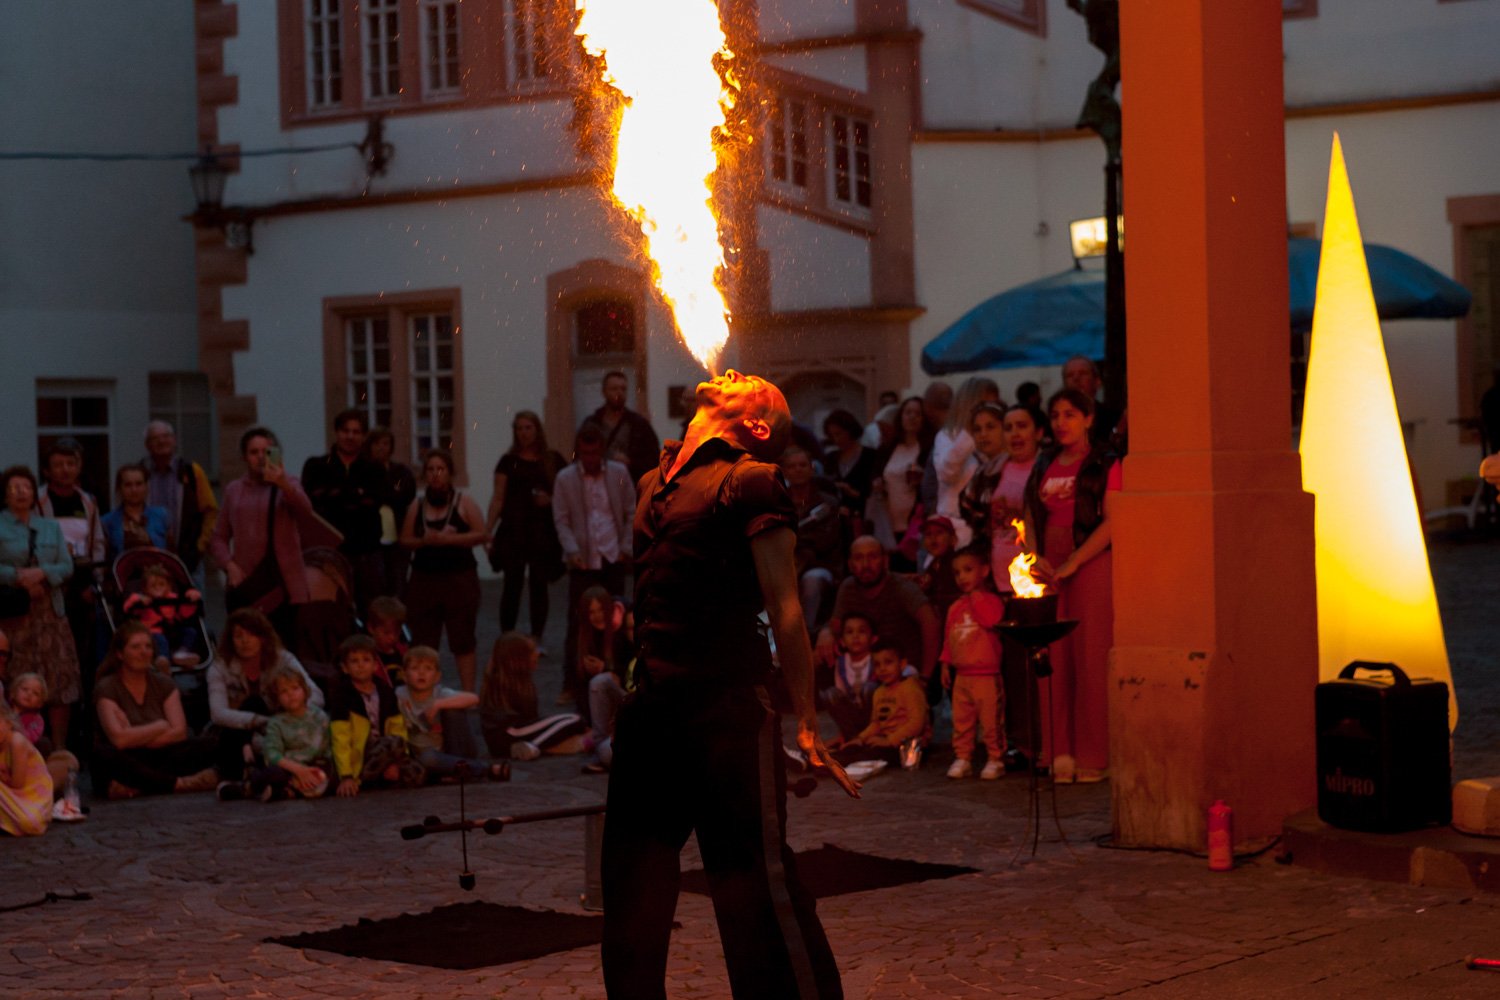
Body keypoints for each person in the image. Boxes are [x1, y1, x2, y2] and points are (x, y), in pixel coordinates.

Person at [603, 368, 856, 1000]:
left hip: (727, 717)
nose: (735, 371)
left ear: (758, 424)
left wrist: (805, 718)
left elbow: (787, 607)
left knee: (756, 890)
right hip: (652, 716)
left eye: (756, 384)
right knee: (631, 896)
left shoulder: (751, 481)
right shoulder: (649, 485)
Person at [1023, 388, 1121, 784]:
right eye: (1056, 415)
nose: (1062, 422)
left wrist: (1074, 562)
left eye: (1070, 414)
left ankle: (1094, 754)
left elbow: (1112, 522)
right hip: (1050, 567)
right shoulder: (1043, 462)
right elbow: (1030, 514)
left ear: (1089, 418)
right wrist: (1035, 557)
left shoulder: (1105, 462)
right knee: (1054, 659)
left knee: (1089, 656)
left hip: (1090, 563)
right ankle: (1057, 751)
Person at [962, 402, 1046, 763]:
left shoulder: (1043, 470)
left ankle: (1042, 741)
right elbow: (972, 511)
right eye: (1008, 427)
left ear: (1038, 432)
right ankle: (1015, 741)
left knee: (1037, 665)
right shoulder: (992, 472)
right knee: (1009, 667)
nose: (1014, 434)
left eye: (1021, 425)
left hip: (1036, 580)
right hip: (999, 580)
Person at [210, 426, 317, 646]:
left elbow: (305, 511)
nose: (259, 458)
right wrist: (229, 565)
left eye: (265, 452)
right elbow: (218, 537)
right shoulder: (234, 490)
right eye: (254, 452)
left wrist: (282, 483)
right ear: (244, 457)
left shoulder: (288, 483)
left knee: (282, 648)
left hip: (282, 583)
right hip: (246, 583)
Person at [552, 423, 634, 707]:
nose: (590, 459)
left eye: (594, 453)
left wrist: (625, 548)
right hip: (583, 560)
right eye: (585, 453)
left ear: (602, 451)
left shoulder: (619, 474)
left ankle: (617, 673)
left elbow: (629, 510)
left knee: (616, 619)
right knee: (577, 623)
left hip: (612, 558)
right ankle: (571, 684)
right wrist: (572, 550)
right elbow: (561, 519)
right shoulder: (565, 479)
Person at [0, 465, 81, 751]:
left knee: (59, 680)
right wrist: (17, 577)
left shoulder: (50, 526)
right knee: (17, 679)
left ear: (35, 493)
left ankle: (59, 750)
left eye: (26, 487)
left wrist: (43, 574)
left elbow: (66, 565)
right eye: (14, 488)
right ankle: (17, 745)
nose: (21, 492)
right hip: (16, 614)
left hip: (50, 612)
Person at [207, 607, 325, 798]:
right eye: (239, 636)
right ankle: (238, 775)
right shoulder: (220, 667)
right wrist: (259, 721)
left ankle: (252, 782)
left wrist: (291, 714)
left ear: (263, 637)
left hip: (281, 724)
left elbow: (315, 695)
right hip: (237, 730)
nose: (245, 641)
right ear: (231, 640)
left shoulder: (282, 659)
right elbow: (218, 712)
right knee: (251, 704)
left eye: (251, 635)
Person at [92, 622, 218, 799]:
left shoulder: (163, 683)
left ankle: (141, 787)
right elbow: (119, 740)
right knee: (104, 755)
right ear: (120, 654)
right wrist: (160, 725)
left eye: (148, 647)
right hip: (128, 758)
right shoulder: (107, 687)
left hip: (162, 754)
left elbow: (179, 732)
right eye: (135, 647)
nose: (143, 652)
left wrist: (134, 736)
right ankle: (179, 784)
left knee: (210, 744)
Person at [400, 449, 487, 691]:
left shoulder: (464, 502)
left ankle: (468, 692)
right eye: (431, 469)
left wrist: (451, 539)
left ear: (450, 473)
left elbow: (481, 534)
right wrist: (424, 541)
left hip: (459, 580)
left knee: (463, 640)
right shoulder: (417, 505)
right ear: (424, 474)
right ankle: (422, 691)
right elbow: (404, 540)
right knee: (423, 640)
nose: (436, 475)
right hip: (424, 581)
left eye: (441, 469)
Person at [486, 410, 567, 646]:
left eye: (528, 427)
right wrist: (488, 530)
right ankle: (507, 635)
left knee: (539, 584)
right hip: (514, 528)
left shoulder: (552, 459)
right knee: (512, 583)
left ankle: (537, 636)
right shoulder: (507, 461)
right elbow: (498, 497)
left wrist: (549, 500)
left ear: (537, 429)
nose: (523, 433)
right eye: (519, 428)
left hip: (542, 529)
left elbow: (565, 493)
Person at [819, 536, 941, 689]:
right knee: (819, 652)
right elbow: (835, 625)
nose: (865, 565)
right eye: (858, 558)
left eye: (872, 557)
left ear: (885, 561)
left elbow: (930, 623)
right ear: (850, 564)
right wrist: (826, 632)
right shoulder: (848, 587)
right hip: (867, 668)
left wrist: (925, 677)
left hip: (903, 670)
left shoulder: (901, 587)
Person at [302, 409, 388, 613]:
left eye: (356, 431)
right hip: (330, 552)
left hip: (366, 551)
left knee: (372, 610)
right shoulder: (317, 466)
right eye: (345, 431)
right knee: (331, 609)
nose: (350, 436)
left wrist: (335, 494)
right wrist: (355, 495)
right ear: (336, 432)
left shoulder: (374, 469)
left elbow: (376, 500)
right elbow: (312, 503)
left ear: (364, 435)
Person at [37, 438, 106, 668]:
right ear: (47, 470)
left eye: (70, 463)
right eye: (58, 464)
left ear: (79, 467)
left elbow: (97, 544)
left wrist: (96, 583)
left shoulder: (88, 502)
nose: (65, 469)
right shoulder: (38, 501)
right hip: (50, 583)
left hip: (82, 583)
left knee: (83, 648)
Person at [940, 548, 1007, 780]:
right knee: (962, 720)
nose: (962, 577)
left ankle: (995, 758)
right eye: (957, 573)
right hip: (963, 675)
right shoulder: (955, 607)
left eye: (968, 570)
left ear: (985, 571)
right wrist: (945, 664)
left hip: (986, 674)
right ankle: (963, 757)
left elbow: (991, 621)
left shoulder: (991, 601)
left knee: (991, 722)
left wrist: (977, 597)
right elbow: (949, 638)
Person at [328, 634, 421, 796]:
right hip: (360, 757)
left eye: (366, 660)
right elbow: (340, 738)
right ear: (345, 668)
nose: (360, 666)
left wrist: (396, 762)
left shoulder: (386, 692)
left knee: (417, 772)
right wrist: (346, 775)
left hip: (388, 752)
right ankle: (364, 779)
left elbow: (397, 728)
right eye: (354, 661)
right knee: (392, 742)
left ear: (375, 665)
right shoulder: (342, 696)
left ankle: (385, 776)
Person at [396, 645, 505, 781]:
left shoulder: (440, 693)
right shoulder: (399, 695)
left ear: (437, 677)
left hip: (456, 749)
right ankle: (478, 769)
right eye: (415, 668)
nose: (421, 673)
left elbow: (473, 699)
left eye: (428, 669)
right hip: (426, 757)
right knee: (427, 758)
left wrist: (438, 704)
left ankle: (469, 769)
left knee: (452, 708)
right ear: (405, 675)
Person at [479, 631, 587, 760]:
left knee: (569, 724)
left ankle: (531, 746)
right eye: (531, 652)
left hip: (515, 731)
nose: (537, 655)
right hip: (510, 731)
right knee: (574, 719)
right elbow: (522, 721)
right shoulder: (501, 682)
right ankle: (531, 746)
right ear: (517, 659)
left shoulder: (515, 680)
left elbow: (532, 720)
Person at [831, 640, 928, 768]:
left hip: (908, 745)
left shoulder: (910, 689)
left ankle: (834, 766)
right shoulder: (879, 692)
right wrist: (860, 738)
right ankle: (822, 761)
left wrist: (889, 740)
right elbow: (877, 723)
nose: (882, 669)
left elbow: (916, 723)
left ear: (902, 664)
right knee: (853, 748)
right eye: (877, 665)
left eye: (888, 662)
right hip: (885, 738)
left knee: (868, 755)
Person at [243, 664, 332, 802]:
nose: (290, 694)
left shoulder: (320, 717)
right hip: (288, 766)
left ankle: (285, 792)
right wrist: (298, 770)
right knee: (273, 774)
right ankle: (251, 786)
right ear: (276, 698)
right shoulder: (276, 723)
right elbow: (272, 754)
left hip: (314, 764)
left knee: (330, 775)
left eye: (295, 688)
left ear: (304, 690)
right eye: (284, 692)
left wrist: (313, 770)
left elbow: (327, 748)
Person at [779, 446, 843, 632]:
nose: (798, 469)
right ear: (784, 471)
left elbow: (824, 541)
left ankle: (805, 633)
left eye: (802, 465)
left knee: (812, 581)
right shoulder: (777, 502)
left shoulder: (828, 503)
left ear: (811, 468)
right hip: (784, 563)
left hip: (820, 565)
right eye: (792, 466)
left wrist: (795, 542)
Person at [143, 421, 219, 577]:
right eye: (155, 438)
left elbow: (210, 511)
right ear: (147, 445)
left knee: (191, 601)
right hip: (150, 562)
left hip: (188, 561)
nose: (162, 441)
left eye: (166, 436)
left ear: (174, 440)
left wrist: (200, 547)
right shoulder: (141, 473)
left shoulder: (191, 471)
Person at [931, 377, 999, 549]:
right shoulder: (948, 436)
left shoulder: (995, 435)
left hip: (987, 525)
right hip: (955, 527)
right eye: (984, 405)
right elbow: (947, 473)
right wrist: (969, 432)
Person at [574, 587, 631, 773]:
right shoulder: (587, 638)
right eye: (592, 612)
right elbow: (580, 685)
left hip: (628, 703)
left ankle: (601, 750)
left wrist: (606, 670)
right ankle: (600, 745)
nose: (597, 616)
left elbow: (629, 673)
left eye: (601, 610)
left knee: (601, 680)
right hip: (606, 719)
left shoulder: (623, 633)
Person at [872, 396, 935, 561]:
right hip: (889, 518)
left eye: (917, 413)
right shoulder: (889, 448)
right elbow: (877, 473)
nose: (912, 417)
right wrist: (877, 483)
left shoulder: (929, 448)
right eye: (908, 412)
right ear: (900, 416)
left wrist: (923, 480)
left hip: (915, 519)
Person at [361, 426, 417, 602]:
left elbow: (406, 494)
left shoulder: (401, 471)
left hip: (398, 530)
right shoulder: (363, 470)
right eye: (377, 443)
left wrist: (381, 496)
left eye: (385, 443)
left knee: (398, 578)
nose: (381, 447)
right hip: (371, 534)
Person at [583, 370, 662, 485]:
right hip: (598, 485)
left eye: (623, 389)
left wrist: (630, 462)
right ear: (604, 392)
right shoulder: (591, 424)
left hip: (630, 485)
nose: (619, 393)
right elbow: (580, 457)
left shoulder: (639, 424)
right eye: (614, 389)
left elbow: (654, 459)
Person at [121, 564, 206, 670]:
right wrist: (138, 599)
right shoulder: (143, 599)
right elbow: (127, 608)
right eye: (153, 585)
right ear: (145, 588)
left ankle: (181, 653)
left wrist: (191, 598)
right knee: (160, 640)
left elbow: (184, 614)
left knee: (190, 632)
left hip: (172, 631)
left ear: (168, 586)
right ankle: (163, 660)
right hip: (152, 633)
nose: (157, 588)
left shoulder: (172, 598)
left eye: (161, 584)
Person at [818, 611, 879, 741]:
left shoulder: (876, 659)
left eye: (861, 632)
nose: (855, 636)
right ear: (843, 641)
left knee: (870, 688)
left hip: (873, 710)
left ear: (873, 638)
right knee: (830, 694)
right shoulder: (841, 663)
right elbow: (840, 691)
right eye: (850, 632)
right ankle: (851, 736)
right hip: (852, 709)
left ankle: (871, 733)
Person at [822, 408, 879, 534]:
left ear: (850, 431)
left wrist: (853, 492)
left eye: (839, 434)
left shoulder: (870, 456)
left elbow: (874, 491)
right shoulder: (831, 458)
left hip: (863, 517)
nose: (836, 440)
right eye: (832, 436)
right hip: (838, 521)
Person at [101, 463, 172, 562]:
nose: (134, 490)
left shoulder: (162, 516)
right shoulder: (107, 522)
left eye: (139, 484)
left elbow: (172, 555)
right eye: (128, 485)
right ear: (119, 488)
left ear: (146, 486)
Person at [0, 706, 52, 836]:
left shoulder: (16, 741)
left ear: (8, 722)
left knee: (29, 823)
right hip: (8, 792)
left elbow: (18, 783)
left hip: (29, 796)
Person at [1062, 355, 1121, 448]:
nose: (1076, 378)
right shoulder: (1057, 420)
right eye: (1070, 375)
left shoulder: (1113, 418)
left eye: (1083, 373)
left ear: (1097, 381)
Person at [364, 595, 410, 687]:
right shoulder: (365, 657)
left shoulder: (406, 653)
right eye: (386, 633)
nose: (392, 637)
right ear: (371, 628)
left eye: (397, 632)